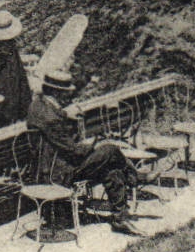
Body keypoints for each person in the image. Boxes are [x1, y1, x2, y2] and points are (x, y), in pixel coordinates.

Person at [27, 70, 141, 236]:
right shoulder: (50, 116)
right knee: (110, 150)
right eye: (65, 93)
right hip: (56, 173)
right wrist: (92, 145)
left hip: (55, 164)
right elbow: (73, 150)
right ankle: (136, 178)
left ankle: (120, 218)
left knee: (112, 169)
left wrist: (66, 115)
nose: (68, 96)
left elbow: (59, 135)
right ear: (55, 92)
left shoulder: (39, 105)